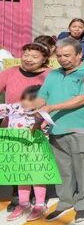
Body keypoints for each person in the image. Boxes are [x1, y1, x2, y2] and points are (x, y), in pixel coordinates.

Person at [34, 38, 84, 223]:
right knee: (63, 168)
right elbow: (43, 95)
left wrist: (52, 108)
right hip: (57, 128)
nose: (63, 59)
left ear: (79, 54)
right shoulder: (53, 74)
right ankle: (65, 200)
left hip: (83, 127)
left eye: (67, 55)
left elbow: (82, 98)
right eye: (59, 56)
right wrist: (36, 108)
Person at [0, 42, 51, 213]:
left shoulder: (50, 75)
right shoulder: (9, 73)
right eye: (26, 55)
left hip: (39, 127)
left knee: (36, 163)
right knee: (17, 162)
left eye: (35, 57)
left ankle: (40, 197)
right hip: (13, 127)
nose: (29, 59)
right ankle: (18, 197)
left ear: (44, 59)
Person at [3, 85, 47, 222]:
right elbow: (3, 109)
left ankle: (40, 204)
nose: (27, 105)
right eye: (25, 100)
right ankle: (23, 204)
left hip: (36, 150)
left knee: (37, 177)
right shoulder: (15, 108)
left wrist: (40, 122)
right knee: (22, 177)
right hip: (18, 150)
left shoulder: (43, 113)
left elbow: (46, 127)